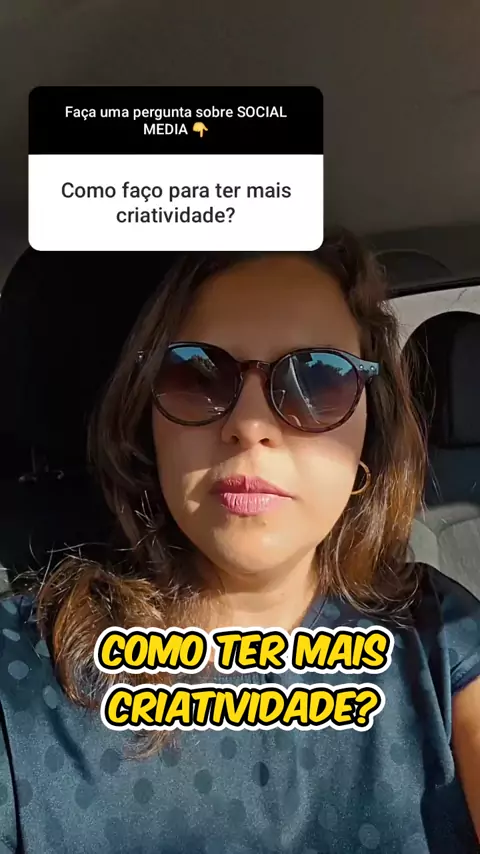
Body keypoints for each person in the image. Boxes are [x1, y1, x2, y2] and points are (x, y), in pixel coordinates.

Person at [1, 230, 479, 854]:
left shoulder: (440, 631)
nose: (250, 425)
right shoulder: (24, 670)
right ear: (148, 424)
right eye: (195, 374)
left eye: (317, 380)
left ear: (371, 431)